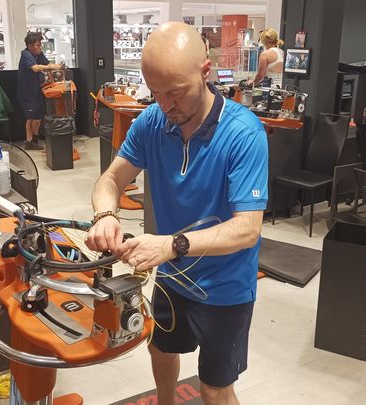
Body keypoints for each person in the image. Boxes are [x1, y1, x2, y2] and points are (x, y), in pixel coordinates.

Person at [85, 22, 268, 405]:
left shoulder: (243, 133)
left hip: (225, 288)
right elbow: (111, 180)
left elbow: (246, 230)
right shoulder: (153, 122)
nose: (166, 105)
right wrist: (106, 215)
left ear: (205, 73)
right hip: (172, 276)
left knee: (215, 388)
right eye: (156, 93)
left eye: (175, 93)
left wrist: (172, 244)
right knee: (161, 350)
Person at [17, 32, 62, 150]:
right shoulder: (26, 54)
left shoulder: (39, 54)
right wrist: (50, 68)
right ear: (30, 46)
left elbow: (47, 64)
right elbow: (35, 68)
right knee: (32, 117)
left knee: (37, 117)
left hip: (37, 90)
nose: (40, 47)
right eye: (38, 45)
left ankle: (34, 140)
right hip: (27, 92)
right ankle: (29, 141)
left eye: (40, 44)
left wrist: (56, 67)